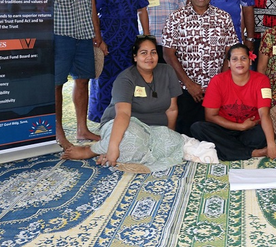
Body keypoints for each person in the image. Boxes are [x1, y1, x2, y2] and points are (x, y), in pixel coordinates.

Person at [61, 35, 186, 172]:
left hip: (155, 128)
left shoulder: (167, 72)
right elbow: (123, 114)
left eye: (153, 52)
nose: (149, 57)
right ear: (135, 57)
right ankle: (91, 150)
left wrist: (168, 135)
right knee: (130, 140)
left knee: (174, 144)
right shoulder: (126, 78)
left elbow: (172, 109)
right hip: (124, 125)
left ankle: (109, 150)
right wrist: (114, 147)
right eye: (143, 53)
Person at [51, 0, 104, 149]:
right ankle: (59, 132)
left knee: (83, 80)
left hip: (83, 31)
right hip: (60, 30)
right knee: (57, 83)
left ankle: (82, 129)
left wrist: (96, 30)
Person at [162, 0, 238, 136]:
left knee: (217, 134)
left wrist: (220, 85)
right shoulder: (175, 18)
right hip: (185, 90)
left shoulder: (224, 18)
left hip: (217, 90)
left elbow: (230, 53)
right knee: (187, 135)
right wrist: (189, 84)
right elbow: (168, 54)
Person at [89, 0, 150, 122]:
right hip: (108, 41)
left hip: (130, 41)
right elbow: (92, 12)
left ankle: (125, 119)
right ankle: (103, 121)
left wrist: (146, 38)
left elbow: (142, 9)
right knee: (105, 82)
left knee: (129, 81)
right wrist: (98, 39)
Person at [190, 44, 276, 161]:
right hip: (224, 129)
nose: (239, 62)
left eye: (243, 58)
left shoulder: (262, 80)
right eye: (234, 59)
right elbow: (210, 116)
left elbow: (264, 114)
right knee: (198, 128)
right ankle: (252, 153)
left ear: (250, 61)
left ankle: (228, 150)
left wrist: (271, 145)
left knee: (265, 135)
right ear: (228, 63)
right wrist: (240, 126)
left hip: (249, 130)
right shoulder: (217, 81)